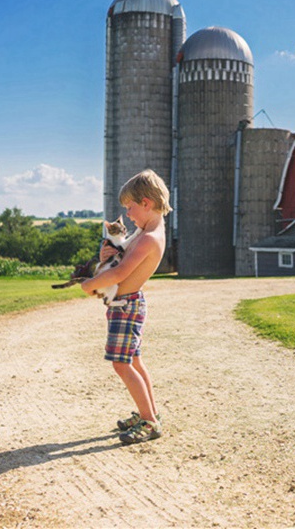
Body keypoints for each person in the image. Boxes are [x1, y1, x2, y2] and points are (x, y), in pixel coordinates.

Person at [81, 169, 171, 444]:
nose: (128, 214)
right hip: (127, 303)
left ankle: (149, 422)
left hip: (127, 305)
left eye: (131, 207)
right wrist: (105, 254)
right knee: (134, 360)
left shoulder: (148, 239)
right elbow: (120, 260)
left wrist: (91, 283)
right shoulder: (144, 232)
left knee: (121, 364)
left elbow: (120, 275)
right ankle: (150, 411)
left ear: (146, 203)